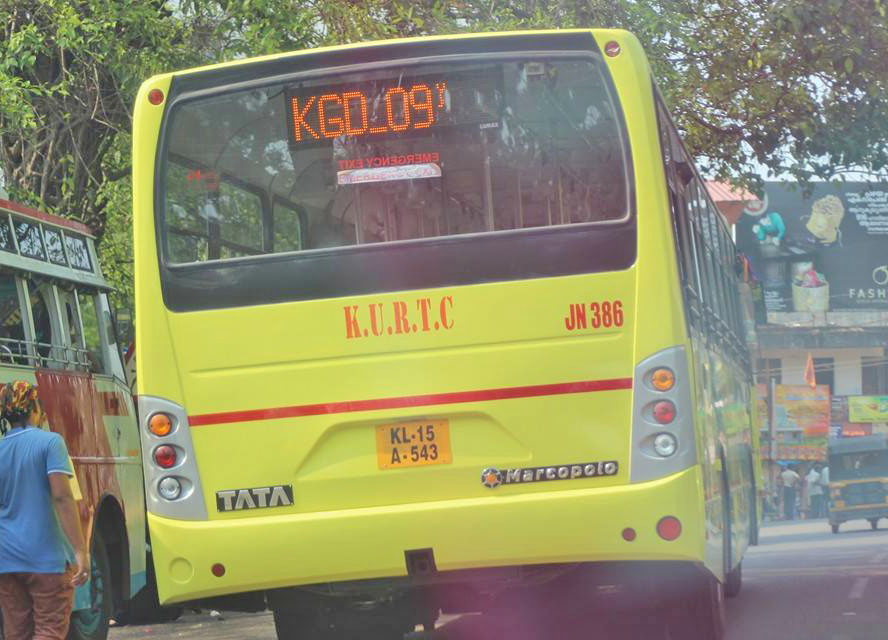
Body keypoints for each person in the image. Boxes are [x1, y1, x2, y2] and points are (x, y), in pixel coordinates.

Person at [0, 381, 89, 640]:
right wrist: (80, 550)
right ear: (34, 408)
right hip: (47, 559)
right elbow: (62, 496)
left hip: (6, 561)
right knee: (49, 630)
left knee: (17, 633)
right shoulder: (51, 443)